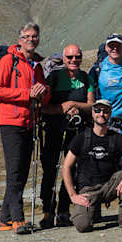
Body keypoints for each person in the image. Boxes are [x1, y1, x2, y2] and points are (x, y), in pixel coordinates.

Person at [0, 22, 50, 234]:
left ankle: (5, 219)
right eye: (27, 36)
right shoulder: (9, 61)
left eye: (34, 36)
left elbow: (44, 95)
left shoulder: (36, 65)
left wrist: (44, 91)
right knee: (15, 172)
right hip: (11, 122)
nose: (31, 40)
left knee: (21, 172)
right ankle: (18, 220)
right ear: (20, 40)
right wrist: (27, 94)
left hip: (29, 122)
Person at [61, 99, 122, 232]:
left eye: (105, 111)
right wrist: (73, 195)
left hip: (109, 186)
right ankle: (92, 211)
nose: (101, 114)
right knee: (83, 226)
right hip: (88, 190)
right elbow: (66, 166)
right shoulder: (81, 137)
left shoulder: (117, 137)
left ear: (110, 114)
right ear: (92, 113)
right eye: (97, 110)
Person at [39, 43, 95, 229]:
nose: (74, 60)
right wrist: (61, 109)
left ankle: (64, 210)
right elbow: (43, 107)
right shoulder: (54, 77)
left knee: (71, 169)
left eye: (77, 57)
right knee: (50, 170)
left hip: (76, 130)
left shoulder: (86, 78)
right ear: (63, 59)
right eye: (70, 57)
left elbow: (91, 105)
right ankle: (47, 210)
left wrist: (74, 105)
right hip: (53, 128)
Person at [89, 33, 122, 138]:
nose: (115, 48)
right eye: (111, 45)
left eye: (118, 45)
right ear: (106, 48)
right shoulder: (97, 70)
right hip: (101, 121)